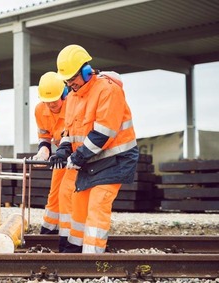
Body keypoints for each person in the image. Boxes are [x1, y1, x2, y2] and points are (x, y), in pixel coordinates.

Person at [50, 44, 139, 253]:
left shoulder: (108, 90)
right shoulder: (72, 96)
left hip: (115, 160)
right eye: (67, 80)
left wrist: (78, 156)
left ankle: (91, 259)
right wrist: (63, 149)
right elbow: (69, 131)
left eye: (73, 78)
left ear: (86, 71)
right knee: (79, 205)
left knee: (97, 206)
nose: (70, 83)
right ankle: (73, 252)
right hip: (91, 160)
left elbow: (103, 133)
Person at [32, 71, 76, 252]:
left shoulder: (74, 105)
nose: (51, 105)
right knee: (55, 194)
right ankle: (48, 232)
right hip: (60, 156)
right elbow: (45, 137)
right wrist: (43, 151)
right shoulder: (40, 110)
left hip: (77, 155)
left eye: (54, 101)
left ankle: (68, 239)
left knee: (67, 194)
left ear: (64, 94)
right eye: (47, 101)